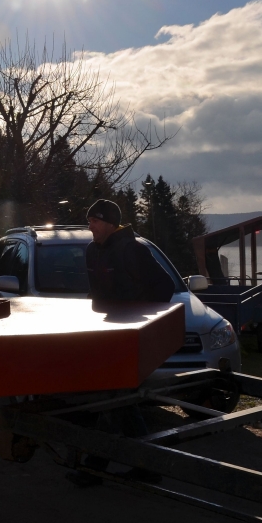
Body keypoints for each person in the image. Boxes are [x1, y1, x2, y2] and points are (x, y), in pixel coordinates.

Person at [68, 198, 176, 488]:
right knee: (120, 402)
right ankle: (146, 466)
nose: (90, 226)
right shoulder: (92, 251)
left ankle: (95, 467)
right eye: (89, 220)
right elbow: (96, 295)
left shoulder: (134, 249)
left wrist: (143, 320)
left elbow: (165, 288)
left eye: (95, 220)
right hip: (106, 337)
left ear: (111, 224)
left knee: (115, 398)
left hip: (132, 338)